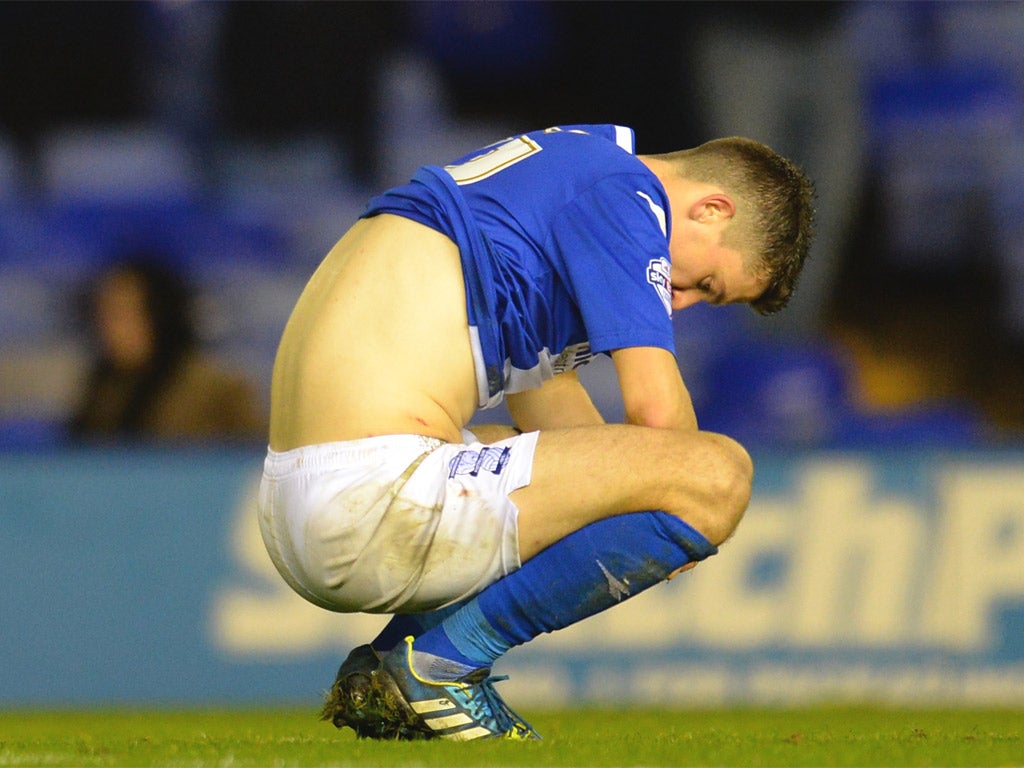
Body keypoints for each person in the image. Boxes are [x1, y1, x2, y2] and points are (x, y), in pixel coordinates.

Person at [258, 125, 814, 741]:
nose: (683, 303)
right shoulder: (623, 191)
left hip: (305, 497)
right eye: (706, 285)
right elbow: (661, 427)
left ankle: (390, 664)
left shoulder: (549, 182)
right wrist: (687, 500)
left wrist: (645, 509)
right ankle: (441, 665)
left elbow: (565, 435)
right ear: (711, 209)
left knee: (651, 474)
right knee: (720, 473)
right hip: (373, 494)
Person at [68, 255, 266, 443]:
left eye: (123, 313)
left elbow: (258, 460)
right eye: (103, 314)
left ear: (160, 315)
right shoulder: (101, 392)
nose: (110, 327)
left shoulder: (215, 389)